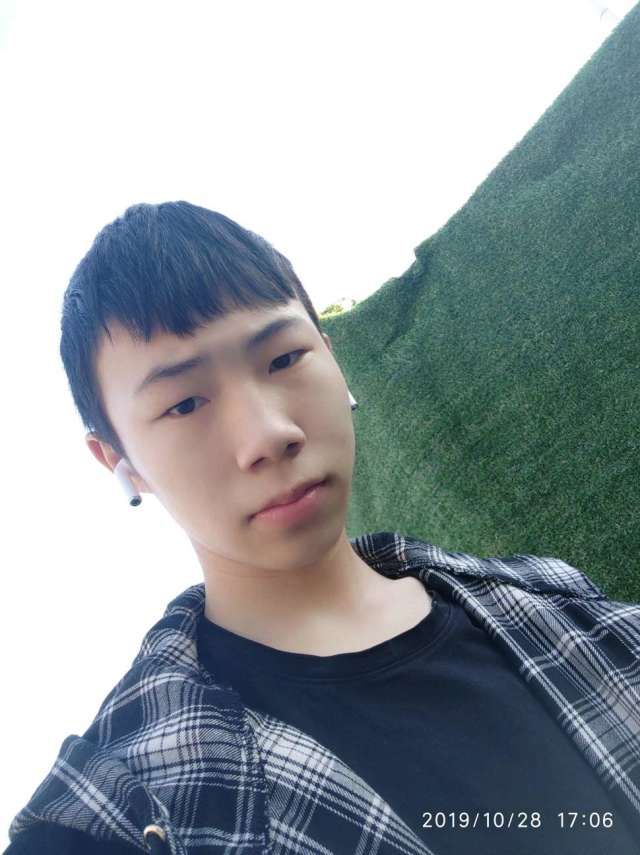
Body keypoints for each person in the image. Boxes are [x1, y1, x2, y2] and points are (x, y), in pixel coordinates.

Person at [5, 201, 640, 855]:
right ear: (119, 461)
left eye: (284, 359)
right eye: (184, 402)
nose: (268, 435)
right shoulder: (119, 815)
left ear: (334, 362)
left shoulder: (561, 605)